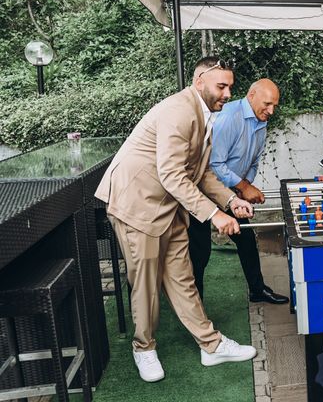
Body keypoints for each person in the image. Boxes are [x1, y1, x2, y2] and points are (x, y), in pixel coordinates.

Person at [95, 57, 258, 383]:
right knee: (145, 283)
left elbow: (202, 172)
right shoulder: (179, 110)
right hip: (137, 205)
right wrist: (215, 215)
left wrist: (231, 199)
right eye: (221, 86)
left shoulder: (204, 113)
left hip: (168, 206)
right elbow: (172, 173)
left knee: (182, 278)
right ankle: (143, 347)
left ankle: (210, 345)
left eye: (230, 87)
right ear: (200, 82)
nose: (227, 93)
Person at [188, 78, 289, 305]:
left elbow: (253, 161)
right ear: (251, 96)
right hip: (205, 191)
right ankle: (195, 310)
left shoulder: (261, 121)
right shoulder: (228, 118)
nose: (271, 110)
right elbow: (214, 164)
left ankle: (257, 289)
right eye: (267, 104)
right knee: (199, 252)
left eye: (275, 105)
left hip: (232, 191)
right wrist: (244, 187)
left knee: (246, 241)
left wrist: (244, 188)